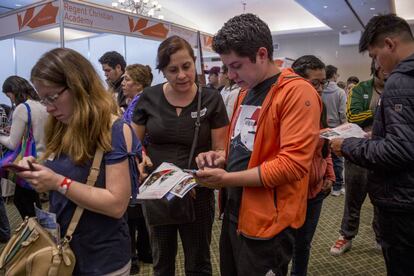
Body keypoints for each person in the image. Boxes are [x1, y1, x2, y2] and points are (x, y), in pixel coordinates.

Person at [195, 14, 322, 276]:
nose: (230, 75)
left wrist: (227, 178)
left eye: (237, 66)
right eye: (227, 67)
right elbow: (245, 145)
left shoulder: (297, 92)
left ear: (262, 54)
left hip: (268, 223)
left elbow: (292, 165)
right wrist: (222, 158)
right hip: (236, 211)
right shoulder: (245, 91)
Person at [18, 48, 142, 275]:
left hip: (103, 259)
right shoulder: (60, 124)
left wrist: (58, 182)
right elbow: (71, 169)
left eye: (53, 97)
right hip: (64, 253)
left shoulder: (114, 129)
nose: (48, 107)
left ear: (79, 87)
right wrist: (38, 167)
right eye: (42, 99)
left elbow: (116, 205)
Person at [132, 35, 228, 276]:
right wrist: (140, 158)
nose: (182, 75)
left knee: (198, 262)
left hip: (198, 191)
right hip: (159, 192)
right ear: (162, 71)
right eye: (172, 70)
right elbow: (134, 145)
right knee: (162, 261)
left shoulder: (211, 98)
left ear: (194, 62)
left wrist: (213, 158)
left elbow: (220, 150)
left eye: (186, 67)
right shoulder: (149, 98)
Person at [330, 14, 414, 275]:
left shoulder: (401, 80)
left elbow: (401, 150)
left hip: (403, 201)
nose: (377, 64)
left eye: (375, 56)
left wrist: (348, 146)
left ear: (389, 44)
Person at [330, 61, 385, 256]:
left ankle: (381, 237)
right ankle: (346, 235)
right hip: (359, 151)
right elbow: (353, 116)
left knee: (382, 198)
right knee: (353, 196)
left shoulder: (399, 88)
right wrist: (381, 111)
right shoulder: (361, 88)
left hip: (384, 152)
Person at [291, 55, 335, 276]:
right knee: (283, 245)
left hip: (316, 190)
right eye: (314, 83)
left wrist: (330, 176)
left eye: (323, 82)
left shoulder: (321, 107)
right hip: (290, 190)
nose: (319, 89)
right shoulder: (287, 108)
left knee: (303, 244)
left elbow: (324, 150)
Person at [121, 63, 154, 273]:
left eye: (127, 79)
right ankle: (144, 252)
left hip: (138, 161)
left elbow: (132, 138)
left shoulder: (138, 105)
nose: (123, 83)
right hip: (142, 159)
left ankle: (133, 257)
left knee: (133, 213)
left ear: (139, 83)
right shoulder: (138, 102)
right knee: (139, 212)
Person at [1, 76, 47, 218]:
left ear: (13, 91)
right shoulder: (42, 104)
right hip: (44, 158)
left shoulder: (23, 108)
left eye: (9, 96)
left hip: (28, 161)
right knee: (33, 201)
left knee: (23, 201)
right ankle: (40, 232)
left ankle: (37, 235)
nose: (11, 100)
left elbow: (12, 143)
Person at [322, 65, 347, 196]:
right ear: (333, 75)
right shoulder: (340, 92)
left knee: (324, 156)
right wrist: (345, 127)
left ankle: (326, 182)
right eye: (337, 74)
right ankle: (337, 187)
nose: (338, 77)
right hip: (337, 128)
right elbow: (342, 113)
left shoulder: (319, 90)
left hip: (322, 127)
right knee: (337, 158)